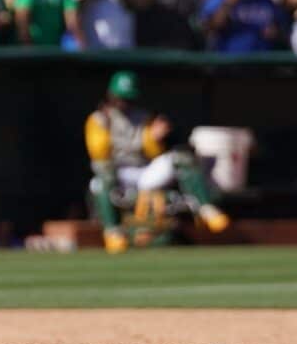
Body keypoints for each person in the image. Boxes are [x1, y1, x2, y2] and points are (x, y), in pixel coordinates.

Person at [85, 71, 230, 254]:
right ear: (111, 96)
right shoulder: (99, 119)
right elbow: (100, 153)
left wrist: (154, 138)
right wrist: (143, 140)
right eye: (120, 98)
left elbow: (154, 153)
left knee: (181, 157)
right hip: (119, 174)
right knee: (101, 180)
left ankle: (205, 207)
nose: (124, 103)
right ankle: (113, 232)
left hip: (144, 170)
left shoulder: (143, 116)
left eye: (128, 99)